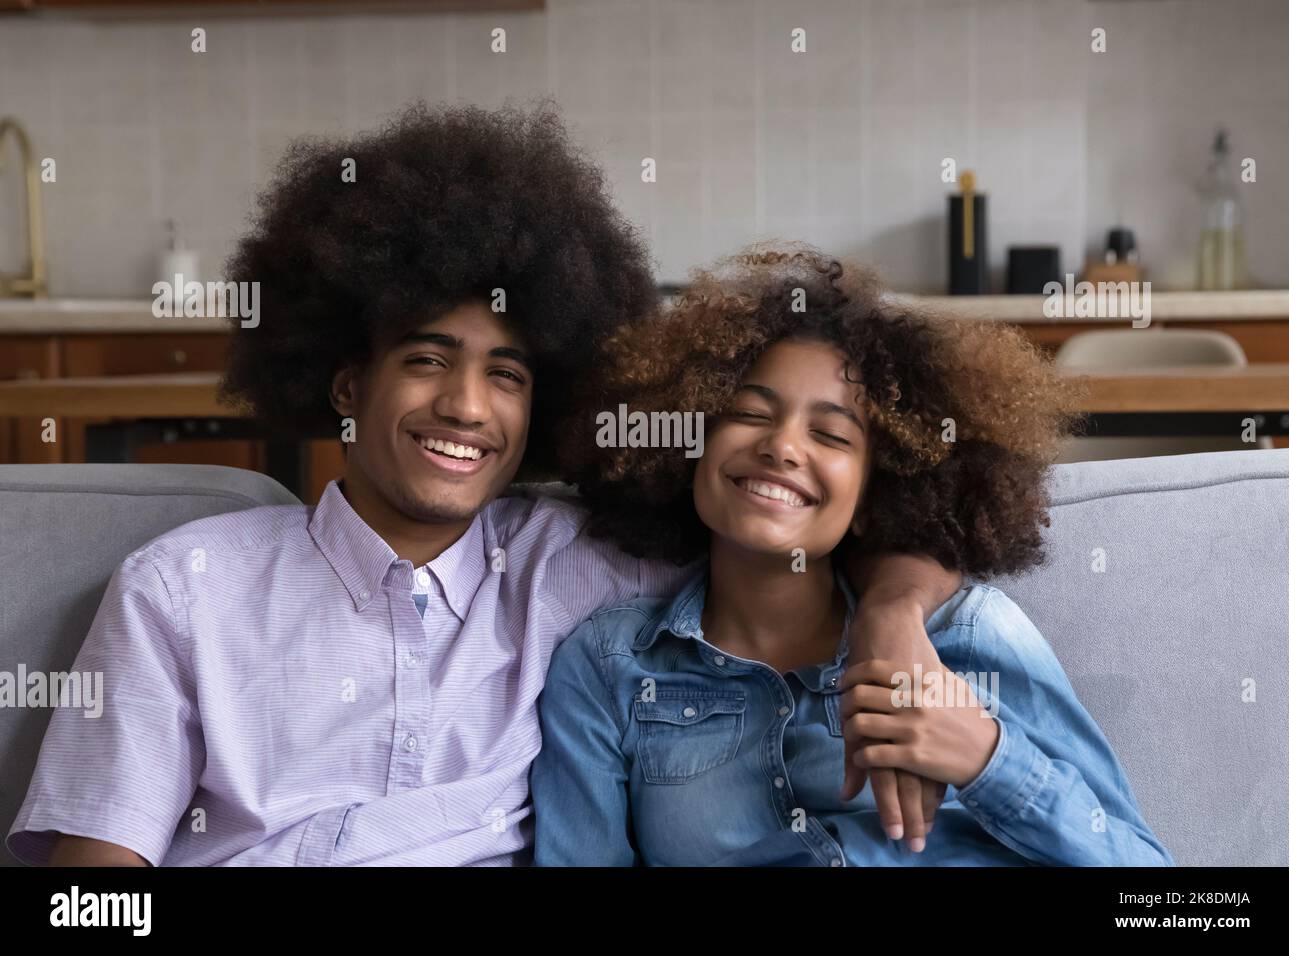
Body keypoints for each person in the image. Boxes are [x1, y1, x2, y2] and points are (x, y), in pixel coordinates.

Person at [6, 107, 956, 867]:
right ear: (347, 384)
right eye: (428, 359)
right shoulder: (184, 589)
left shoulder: (587, 563)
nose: (466, 406)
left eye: (507, 373)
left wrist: (894, 611)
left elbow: (802, 517)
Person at [530, 245, 1174, 866]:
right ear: (691, 442)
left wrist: (985, 758)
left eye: (831, 433)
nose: (783, 448)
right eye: (750, 415)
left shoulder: (969, 633)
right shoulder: (607, 667)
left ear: (874, 495)